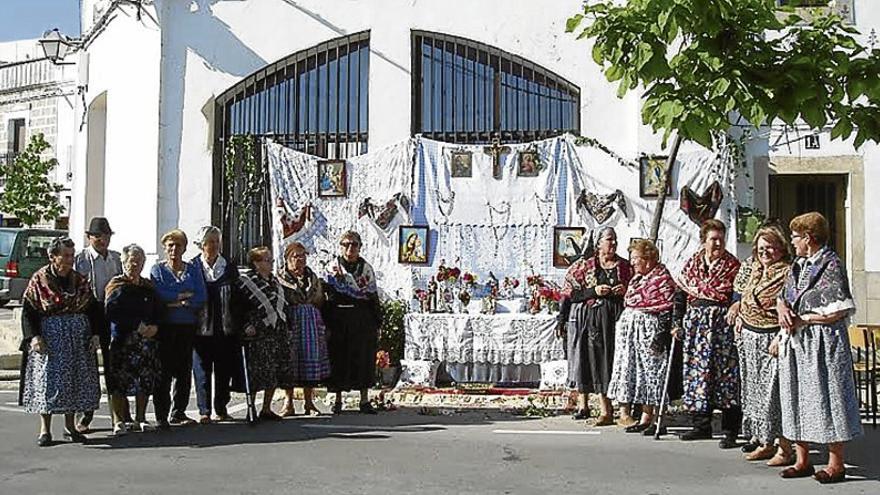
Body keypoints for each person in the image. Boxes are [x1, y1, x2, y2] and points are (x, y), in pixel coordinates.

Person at [776, 212, 861, 484]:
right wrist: (781, 309)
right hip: (798, 341)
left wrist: (804, 318)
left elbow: (838, 308)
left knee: (828, 396)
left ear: (809, 238)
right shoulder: (798, 265)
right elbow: (784, 296)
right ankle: (802, 459)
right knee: (796, 395)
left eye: (795, 237)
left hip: (823, 342)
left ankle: (836, 464)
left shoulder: (831, 264)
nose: (792, 241)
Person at [20, 237, 101, 446]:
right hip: (51, 339)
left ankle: (70, 426)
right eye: (65, 255)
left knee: (74, 381)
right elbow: (28, 311)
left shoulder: (80, 280)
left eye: (72, 255)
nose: (70, 260)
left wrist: (95, 334)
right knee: (48, 382)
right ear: (52, 256)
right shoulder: (40, 280)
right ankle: (45, 430)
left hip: (77, 338)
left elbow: (93, 308)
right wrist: (34, 337)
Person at [673, 219, 742, 448]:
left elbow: (738, 294)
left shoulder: (733, 265)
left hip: (722, 327)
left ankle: (730, 430)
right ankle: (700, 425)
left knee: (726, 375)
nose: (718, 243)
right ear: (703, 241)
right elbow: (681, 294)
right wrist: (676, 322)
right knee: (697, 374)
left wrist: (735, 306)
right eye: (713, 239)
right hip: (696, 327)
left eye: (721, 239)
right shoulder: (692, 263)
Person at [729, 224, 793, 465]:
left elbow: (790, 305)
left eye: (771, 247)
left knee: (774, 394)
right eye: (761, 247)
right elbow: (741, 294)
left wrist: (781, 335)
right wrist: (740, 313)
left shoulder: (787, 272)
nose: (765, 252)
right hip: (749, 337)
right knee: (753, 392)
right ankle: (765, 441)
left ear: (781, 248)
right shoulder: (754, 268)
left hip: (772, 338)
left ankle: (784, 446)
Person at [557, 227, 632, 425]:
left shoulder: (625, 266)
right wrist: (594, 291)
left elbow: (637, 289)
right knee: (598, 362)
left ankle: (625, 410)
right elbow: (571, 294)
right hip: (595, 321)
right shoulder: (587, 266)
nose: (613, 244)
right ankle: (605, 409)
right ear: (598, 243)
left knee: (619, 361)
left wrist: (625, 290)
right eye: (609, 240)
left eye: (615, 240)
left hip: (619, 320)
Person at [606, 239, 676, 434]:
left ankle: (657, 419)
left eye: (636, 258)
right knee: (638, 374)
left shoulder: (661, 278)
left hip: (650, 331)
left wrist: (660, 336)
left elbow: (667, 307)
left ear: (648, 259)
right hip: (631, 333)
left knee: (652, 373)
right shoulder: (638, 278)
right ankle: (645, 417)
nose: (633, 263)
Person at [151, 229, 207, 428]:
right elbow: (159, 293)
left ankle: (179, 412)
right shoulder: (158, 270)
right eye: (170, 245)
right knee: (163, 371)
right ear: (165, 248)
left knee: (184, 371)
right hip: (165, 327)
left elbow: (201, 296)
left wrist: (176, 301)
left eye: (178, 245)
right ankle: (161, 416)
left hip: (187, 325)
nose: (174, 249)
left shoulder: (192, 269)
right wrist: (181, 297)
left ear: (184, 248)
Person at [73, 216, 125, 433]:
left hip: (110, 314)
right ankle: (85, 416)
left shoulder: (115, 258)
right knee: (86, 368)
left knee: (113, 366)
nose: (102, 240)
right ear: (89, 237)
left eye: (105, 236)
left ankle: (118, 417)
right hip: (87, 315)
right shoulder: (81, 259)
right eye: (97, 236)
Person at [104, 244, 163, 435]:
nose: (135, 264)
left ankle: (141, 418)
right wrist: (135, 324)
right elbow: (111, 311)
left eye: (139, 261)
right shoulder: (116, 285)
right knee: (119, 382)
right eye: (132, 260)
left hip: (145, 342)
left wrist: (155, 326)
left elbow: (158, 310)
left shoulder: (147, 287)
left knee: (144, 381)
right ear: (123, 261)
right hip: (122, 340)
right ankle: (119, 421)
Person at [322, 231, 382, 414]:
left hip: (362, 319)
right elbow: (327, 299)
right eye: (346, 244)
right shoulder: (332, 269)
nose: (350, 248)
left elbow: (372, 296)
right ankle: (338, 400)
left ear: (360, 247)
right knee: (339, 358)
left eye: (354, 244)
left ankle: (364, 400)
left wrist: (378, 322)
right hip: (338, 318)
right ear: (340, 246)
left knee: (363, 359)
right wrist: (326, 324)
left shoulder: (366, 269)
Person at [232, 247, 292, 420]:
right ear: (256, 263)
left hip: (276, 331)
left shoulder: (275, 281)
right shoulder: (245, 281)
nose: (270, 263)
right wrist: (244, 326)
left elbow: (283, 305)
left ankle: (266, 407)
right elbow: (237, 308)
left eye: (271, 260)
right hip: (257, 331)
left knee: (274, 369)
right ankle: (251, 406)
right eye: (267, 260)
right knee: (256, 371)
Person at [191, 226, 241, 424]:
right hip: (200, 328)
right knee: (201, 370)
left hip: (225, 326)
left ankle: (221, 407)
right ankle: (204, 410)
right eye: (209, 242)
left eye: (216, 241)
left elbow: (237, 296)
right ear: (201, 245)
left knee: (223, 370)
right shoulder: (193, 266)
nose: (213, 245)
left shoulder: (229, 266)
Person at [278, 242, 331, 416]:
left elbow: (319, 298)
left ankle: (309, 403)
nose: (300, 260)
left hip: (311, 324)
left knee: (310, 361)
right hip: (291, 322)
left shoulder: (312, 277)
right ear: (287, 259)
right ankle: (288, 403)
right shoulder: (280, 277)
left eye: (303, 256)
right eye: (296, 256)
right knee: (290, 362)